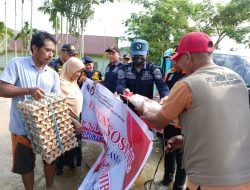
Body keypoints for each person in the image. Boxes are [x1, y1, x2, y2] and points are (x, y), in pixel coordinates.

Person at [135, 32, 250, 190]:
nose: (178, 64)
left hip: (209, 181)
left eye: (179, 59)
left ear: (188, 57)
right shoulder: (237, 79)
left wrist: (143, 108)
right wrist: (185, 139)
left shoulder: (187, 84)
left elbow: (157, 121)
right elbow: (226, 125)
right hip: (244, 176)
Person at [0, 31, 59, 190]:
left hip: (45, 128)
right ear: (34, 48)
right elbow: (2, 89)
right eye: (47, 50)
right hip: (21, 128)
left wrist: (70, 121)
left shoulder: (52, 75)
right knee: (26, 165)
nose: (51, 54)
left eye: (53, 51)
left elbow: (56, 102)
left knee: (50, 160)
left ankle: (49, 187)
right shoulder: (17, 64)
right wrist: (28, 90)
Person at [157, 46, 186, 190]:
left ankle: (179, 185)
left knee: (182, 158)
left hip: (184, 124)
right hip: (169, 121)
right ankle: (166, 179)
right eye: (172, 59)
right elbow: (164, 91)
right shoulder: (169, 74)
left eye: (177, 59)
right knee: (168, 151)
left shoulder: (191, 76)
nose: (174, 62)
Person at [116, 39, 169, 108]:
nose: (138, 57)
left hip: (145, 109)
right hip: (126, 107)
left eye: (141, 55)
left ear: (147, 54)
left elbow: (162, 86)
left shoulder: (153, 69)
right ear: (131, 54)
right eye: (136, 55)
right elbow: (119, 85)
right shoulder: (123, 69)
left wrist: (165, 96)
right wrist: (123, 90)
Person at [56, 57, 85, 175]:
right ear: (69, 69)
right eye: (76, 71)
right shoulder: (59, 83)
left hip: (77, 118)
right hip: (64, 120)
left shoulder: (73, 83)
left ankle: (72, 170)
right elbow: (57, 107)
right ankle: (58, 173)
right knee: (62, 148)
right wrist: (73, 120)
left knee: (74, 146)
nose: (78, 74)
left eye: (80, 71)